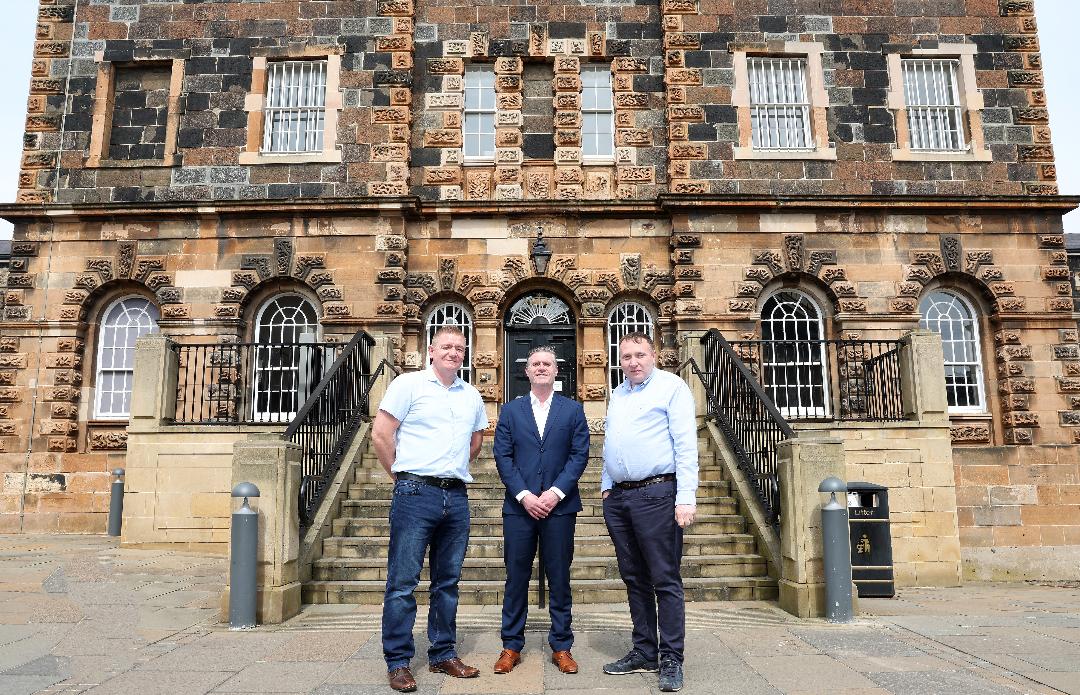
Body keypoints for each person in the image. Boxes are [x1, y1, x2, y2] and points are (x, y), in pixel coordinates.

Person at [372, 326, 488, 693]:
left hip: (455, 496)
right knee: (403, 583)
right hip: (414, 491)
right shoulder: (408, 385)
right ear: (432, 351)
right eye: (447, 347)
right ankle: (399, 661)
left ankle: (442, 653)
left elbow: (476, 440)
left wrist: (448, 468)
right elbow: (381, 434)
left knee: (448, 582)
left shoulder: (471, 394)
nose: (454, 352)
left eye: (459, 347)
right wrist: (402, 475)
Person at [601, 331, 698, 693]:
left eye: (639, 354)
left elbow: (686, 443)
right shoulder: (619, 393)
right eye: (626, 356)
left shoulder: (671, 387)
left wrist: (685, 497)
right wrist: (606, 485)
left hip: (658, 493)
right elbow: (614, 440)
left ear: (653, 354)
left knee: (664, 578)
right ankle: (644, 650)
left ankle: (671, 656)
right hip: (621, 499)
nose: (633, 362)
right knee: (634, 577)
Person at [492, 345, 590, 676]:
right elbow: (503, 456)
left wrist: (555, 493)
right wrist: (523, 495)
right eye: (536, 363)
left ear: (556, 369)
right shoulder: (510, 410)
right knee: (515, 577)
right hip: (519, 509)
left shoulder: (573, 410)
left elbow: (579, 454)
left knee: (560, 577)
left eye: (547, 363)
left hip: (559, 508)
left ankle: (561, 646)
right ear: (527, 371)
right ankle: (511, 645)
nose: (542, 367)